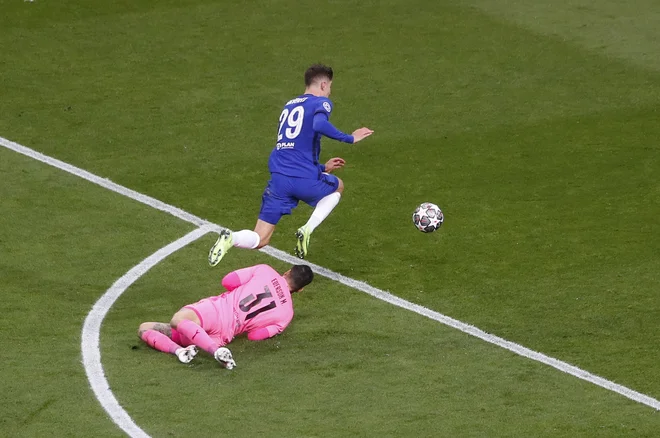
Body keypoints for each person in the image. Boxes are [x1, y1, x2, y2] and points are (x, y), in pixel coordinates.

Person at [208, 63, 374, 266]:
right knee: (338, 185)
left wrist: (321, 168)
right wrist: (350, 138)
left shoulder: (289, 105)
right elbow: (319, 125)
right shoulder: (321, 102)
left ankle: (231, 238)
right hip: (302, 179)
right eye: (330, 87)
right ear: (323, 85)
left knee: (261, 238)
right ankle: (307, 229)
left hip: (279, 179)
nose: (330, 92)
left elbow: (293, 147)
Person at [137, 263, 314, 369]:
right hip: (225, 334)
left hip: (216, 311)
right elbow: (254, 336)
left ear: (287, 271)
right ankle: (182, 351)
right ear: (300, 289)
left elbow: (228, 281)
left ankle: (214, 352)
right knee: (145, 328)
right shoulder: (286, 314)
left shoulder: (265, 270)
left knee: (177, 320)